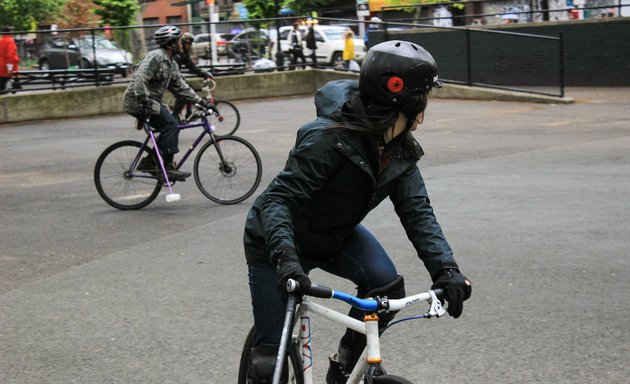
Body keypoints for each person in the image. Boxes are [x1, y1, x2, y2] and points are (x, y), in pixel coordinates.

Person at [243, 40, 472, 384]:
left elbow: (418, 213)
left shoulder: (400, 152)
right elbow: (278, 202)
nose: (426, 109)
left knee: (386, 289)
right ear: (409, 103)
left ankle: (344, 365)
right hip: (275, 243)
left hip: (335, 235)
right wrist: (286, 259)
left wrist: (446, 270)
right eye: (425, 98)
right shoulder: (327, 139)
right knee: (266, 366)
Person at [122, 25, 216, 181]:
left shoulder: (172, 64)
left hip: (153, 101)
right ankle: (167, 168)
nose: (181, 44)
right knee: (171, 125)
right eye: (179, 41)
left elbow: (181, 87)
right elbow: (140, 78)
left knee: (173, 126)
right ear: (171, 43)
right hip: (137, 101)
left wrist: (203, 102)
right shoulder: (156, 57)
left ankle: (150, 162)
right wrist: (143, 99)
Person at [172, 32, 214, 122]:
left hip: (176, 77)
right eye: (188, 44)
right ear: (182, 43)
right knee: (183, 94)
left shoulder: (184, 53)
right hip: (170, 78)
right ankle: (174, 116)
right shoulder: (177, 53)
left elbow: (191, 66)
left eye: (191, 44)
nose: (190, 46)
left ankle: (188, 113)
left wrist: (204, 74)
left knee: (190, 89)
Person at [0, 26, 20, 94]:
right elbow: (9, 55)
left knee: (2, 82)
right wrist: (9, 68)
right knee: (14, 80)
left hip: (1, 65)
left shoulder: (1, 40)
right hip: (10, 65)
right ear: (11, 32)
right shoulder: (10, 41)